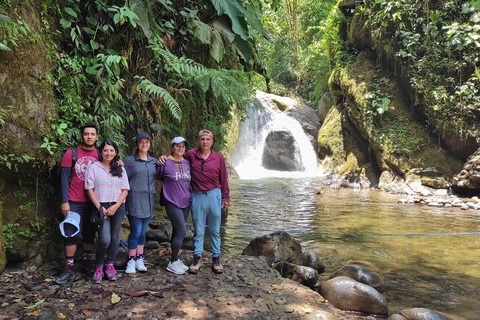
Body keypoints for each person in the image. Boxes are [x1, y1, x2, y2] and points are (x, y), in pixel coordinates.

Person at [161, 129, 229, 274]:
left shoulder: (219, 158)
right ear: (198, 141)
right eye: (202, 139)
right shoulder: (191, 155)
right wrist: (163, 157)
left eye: (208, 139)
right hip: (197, 196)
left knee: (215, 230)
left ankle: (216, 259)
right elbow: (176, 157)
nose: (205, 142)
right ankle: (196, 259)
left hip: (214, 194)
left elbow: (224, 179)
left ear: (212, 142)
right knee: (198, 230)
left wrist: (225, 197)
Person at [56, 123, 100, 284]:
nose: (89, 137)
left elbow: (111, 167)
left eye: (92, 134)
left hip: (93, 201)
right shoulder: (71, 154)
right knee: (70, 232)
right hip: (74, 200)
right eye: (86, 134)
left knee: (89, 232)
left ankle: (86, 262)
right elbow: (64, 180)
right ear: (82, 136)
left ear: (96, 137)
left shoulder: (100, 154)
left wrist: (120, 163)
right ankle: (68, 268)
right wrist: (64, 201)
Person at [85, 140, 129, 283]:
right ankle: (98, 267)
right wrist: (99, 207)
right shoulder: (93, 168)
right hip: (101, 206)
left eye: (111, 150)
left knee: (115, 238)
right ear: (101, 152)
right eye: (105, 150)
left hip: (117, 206)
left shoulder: (120, 169)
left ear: (115, 152)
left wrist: (116, 206)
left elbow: (125, 189)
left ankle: (110, 265)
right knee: (104, 239)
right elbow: (89, 188)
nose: (108, 153)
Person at [155, 137, 191, 275]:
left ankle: (175, 259)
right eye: (177, 146)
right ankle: (173, 262)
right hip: (171, 200)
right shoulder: (165, 162)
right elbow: (156, 177)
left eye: (183, 146)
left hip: (186, 201)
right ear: (172, 147)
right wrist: (160, 159)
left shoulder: (187, 162)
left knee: (177, 231)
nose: (180, 148)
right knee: (182, 231)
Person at [123, 132, 157, 274]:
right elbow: (120, 176)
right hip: (134, 199)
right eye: (141, 142)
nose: (144, 144)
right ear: (137, 144)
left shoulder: (154, 161)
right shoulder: (129, 161)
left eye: (147, 142)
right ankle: (131, 260)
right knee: (136, 231)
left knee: (143, 231)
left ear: (150, 144)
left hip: (149, 200)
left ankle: (139, 258)